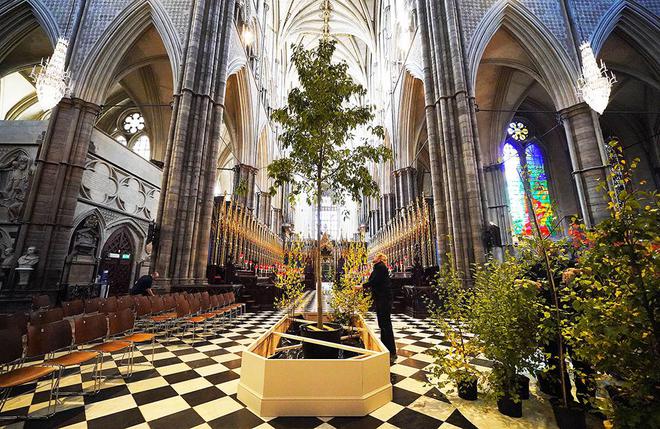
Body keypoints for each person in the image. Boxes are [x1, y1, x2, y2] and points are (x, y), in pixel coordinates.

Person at [363, 253, 397, 364]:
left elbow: (374, 281)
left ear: (379, 259)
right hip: (381, 299)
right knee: (382, 324)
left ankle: (391, 352)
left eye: (375, 257)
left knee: (385, 324)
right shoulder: (378, 267)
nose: (373, 258)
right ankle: (385, 348)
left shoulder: (381, 267)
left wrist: (361, 286)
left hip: (384, 299)